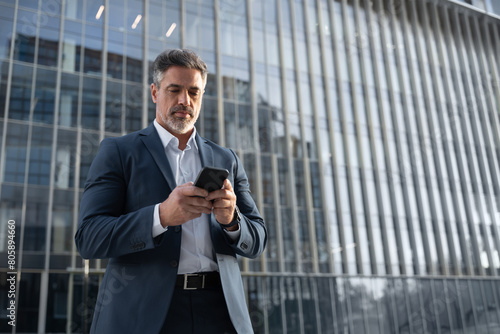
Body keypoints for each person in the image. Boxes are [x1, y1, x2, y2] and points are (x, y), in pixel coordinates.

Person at [75, 48, 267, 334]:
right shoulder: (118, 151)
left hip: (221, 312)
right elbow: (89, 238)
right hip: (147, 315)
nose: (184, 100)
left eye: (194, 92)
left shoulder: (227, 159)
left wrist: (232, 221)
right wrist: (161, 216)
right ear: (154, 92)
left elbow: (258, 239)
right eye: (174, 89)